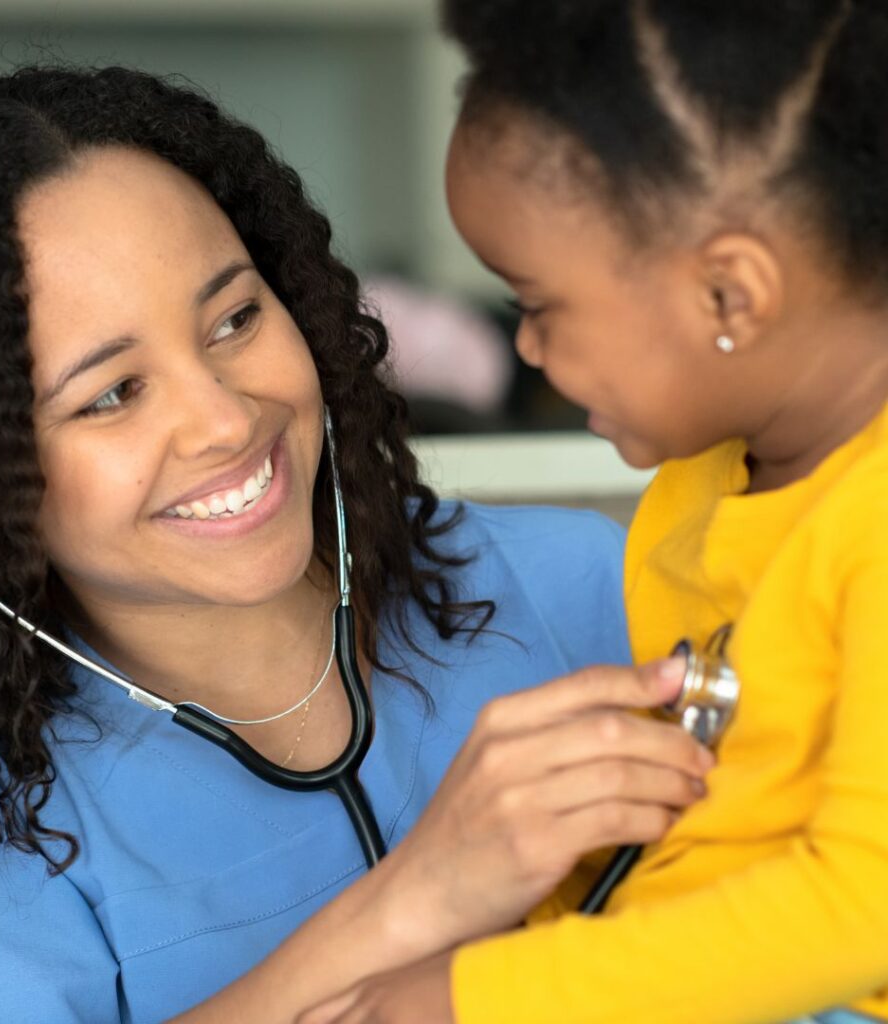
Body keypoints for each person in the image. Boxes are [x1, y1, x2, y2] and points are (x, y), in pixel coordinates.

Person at [0, 66, 714, 1024]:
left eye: (234, 319)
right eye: (111, 394)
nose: (225, 420)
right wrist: (415, 902)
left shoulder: (590, 584)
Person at [300, 1, 888, 1022]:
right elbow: (708, 833)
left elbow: (857, 905)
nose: (524, 350)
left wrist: (475, 995)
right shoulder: (703, 485)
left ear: (729, 296)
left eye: (537, 304)